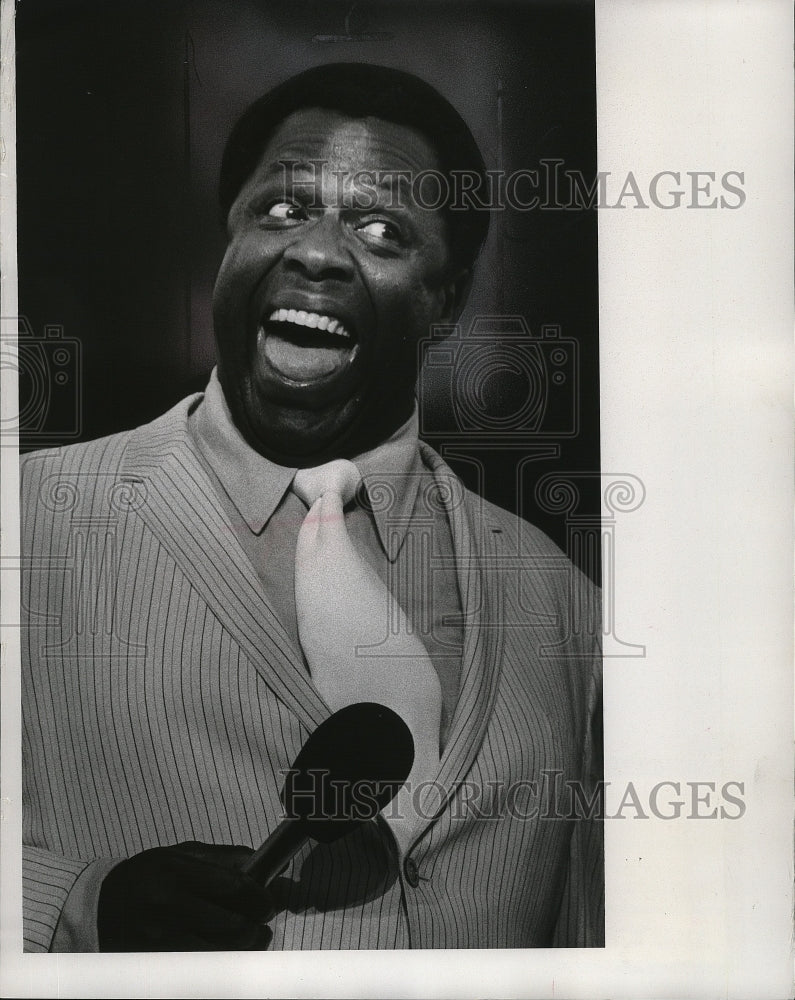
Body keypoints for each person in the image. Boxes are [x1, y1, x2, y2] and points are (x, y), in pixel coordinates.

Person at [20, 62, 603, 952]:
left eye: (379, 229)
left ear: (444, 300)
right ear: (228, 239)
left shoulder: (563, 600)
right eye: (282, 211)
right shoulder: (24, 524)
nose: (318, 252)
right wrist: (78, 909)